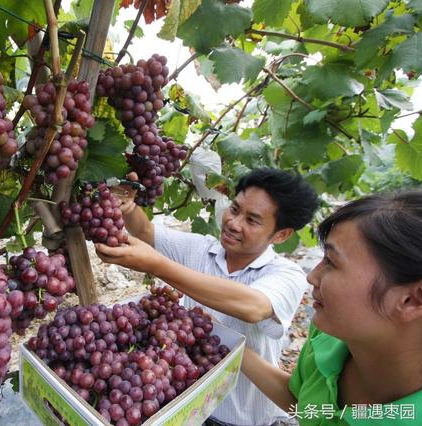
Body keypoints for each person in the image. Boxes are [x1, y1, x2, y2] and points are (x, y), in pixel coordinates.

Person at [96, 167, 320, 426]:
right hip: (190, 405)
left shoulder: (287, 274)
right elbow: (146, 233)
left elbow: (253, 306)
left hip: (244, 419)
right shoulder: (202, 249)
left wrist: (156, 265)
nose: (234, 224)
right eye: (234, 210)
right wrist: (128, 207)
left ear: (281, 234)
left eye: (252, 220)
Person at [240, 191, 422, 425]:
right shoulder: (329, 338)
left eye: (331, 261)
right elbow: (307, 403)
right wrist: (231, 348)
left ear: (415, 299)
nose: (312, 276)